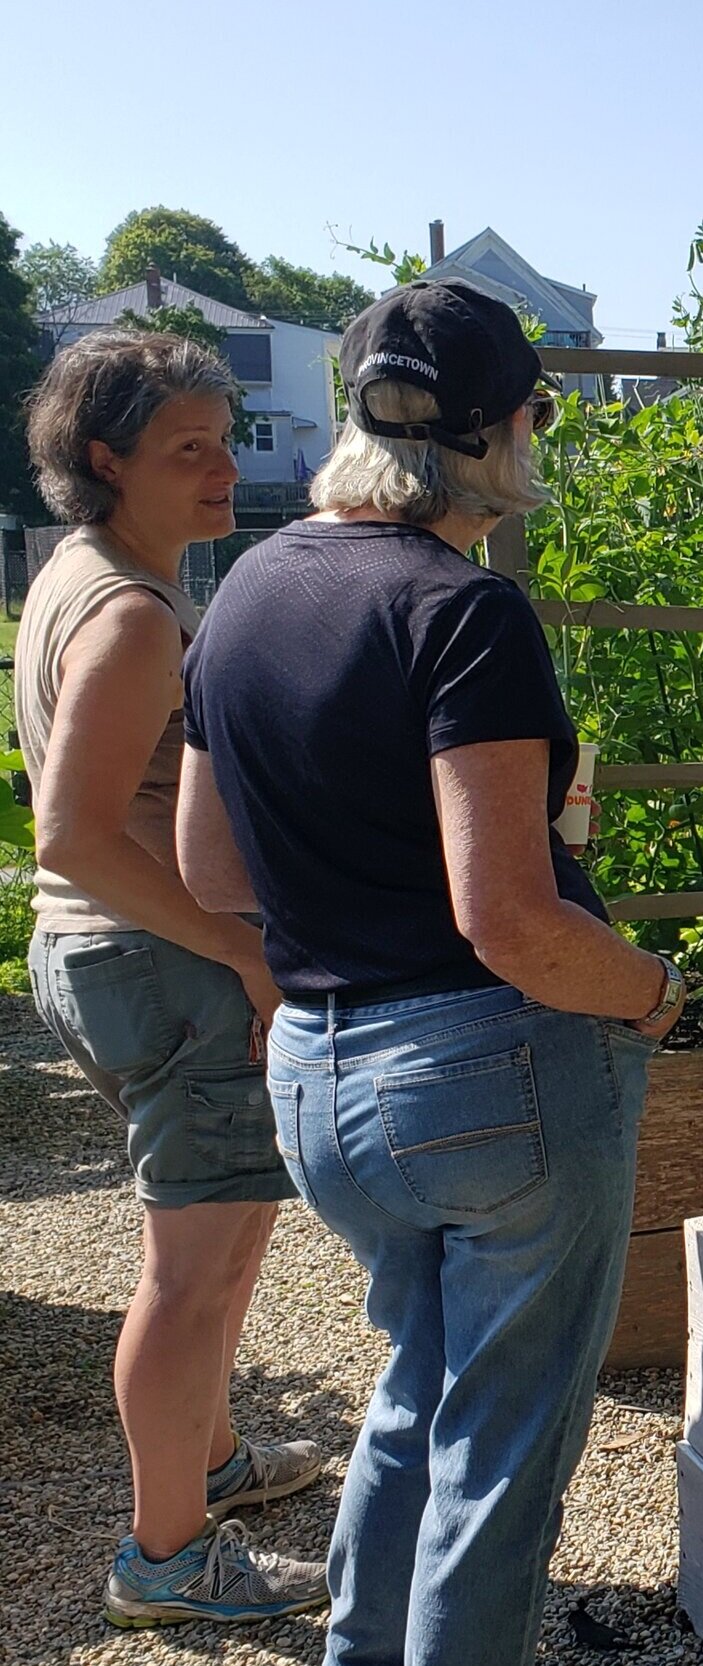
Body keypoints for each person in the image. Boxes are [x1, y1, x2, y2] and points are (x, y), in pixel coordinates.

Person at [178, 280, 686, 1666]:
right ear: (502, 430)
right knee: (505, 1455)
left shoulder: (243, 596)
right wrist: (650, 989)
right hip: (489, 1077)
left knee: (416, 1390)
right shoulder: (463, 610)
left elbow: (212, 873)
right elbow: (510, 920)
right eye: (533, 416)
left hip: (319, 1079)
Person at [18, 330, 331, 1629]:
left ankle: (210, 1464)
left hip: (119, 960)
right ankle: (164, 1558)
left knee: (228, 1234)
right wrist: (245, 950)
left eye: (226, 438)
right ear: (107, 461)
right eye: (185, 448)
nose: (222, 468)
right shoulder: (135, 614)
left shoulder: (82, 575)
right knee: (188, 1274)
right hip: (156, 958)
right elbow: (74, 832)